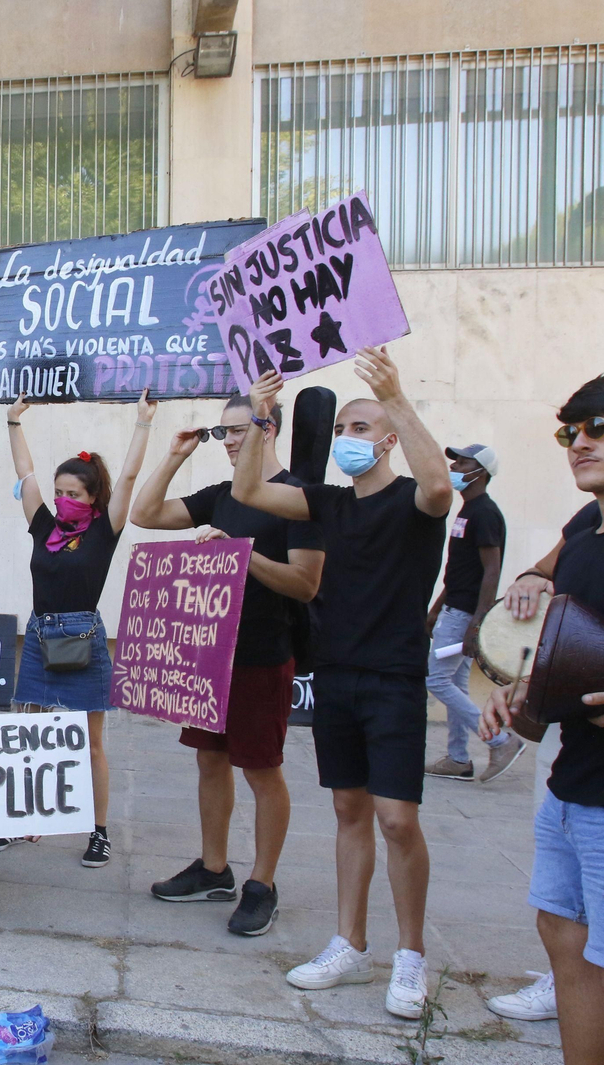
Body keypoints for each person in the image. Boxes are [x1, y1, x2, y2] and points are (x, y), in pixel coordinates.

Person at [230, 349, 452, 1021]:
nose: (348, 437)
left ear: (388, 439)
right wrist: (260, 419)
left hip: (394, 679)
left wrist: (397, 398)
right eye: (342, 428)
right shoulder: (326, 503)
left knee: (397, 819)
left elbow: (440, 487)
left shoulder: (414, 502)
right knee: (349, 811)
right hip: (337, 675)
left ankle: (410, 954)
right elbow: (248, 492)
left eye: (362, 427)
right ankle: (349, 942)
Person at [131, 392, 325, 936]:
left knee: (262, 770)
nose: (230, 440)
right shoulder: (222, 495)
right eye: (223, 432)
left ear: (270, 428)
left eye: (240, 429)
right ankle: (214, 869)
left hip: (263, 655)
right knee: (210, 760)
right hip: (210, 654)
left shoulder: (300, 499)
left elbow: (306, 584)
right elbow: (145, 514)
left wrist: (240, 554)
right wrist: (175, 455)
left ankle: (262, 884)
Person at [480, 375, 604, 1059]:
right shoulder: (586, 525)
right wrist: (522, 687)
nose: (579, 442)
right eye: (570, 432)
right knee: (564, 937)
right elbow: (568, 636)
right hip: (572, 786)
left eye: (597, 427)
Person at [6, 391, 155, 869]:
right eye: (60, 492)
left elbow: (127, 477)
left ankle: (99, 831)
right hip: (39, 636)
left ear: (92, 498)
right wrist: (13, 422)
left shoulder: (103, 530)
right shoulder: (43, 526)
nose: (63, 500)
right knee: (28, 736)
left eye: (74, 494)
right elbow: (25, 474)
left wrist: (143, 422)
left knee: (90, 743)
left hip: (84, 638)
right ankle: (24, 818)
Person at [425, 443, 518, 782]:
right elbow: (460, 572)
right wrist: (436, 609)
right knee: (456, 682)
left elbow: (491, 570)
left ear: (481, 472)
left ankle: (500, 740)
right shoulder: (467, 511)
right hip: (455, 610)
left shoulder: (485, 513)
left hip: (465, 615)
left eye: (463, 463)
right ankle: (458, 758)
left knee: (435, 678)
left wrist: (477, 624)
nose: (454, 467)